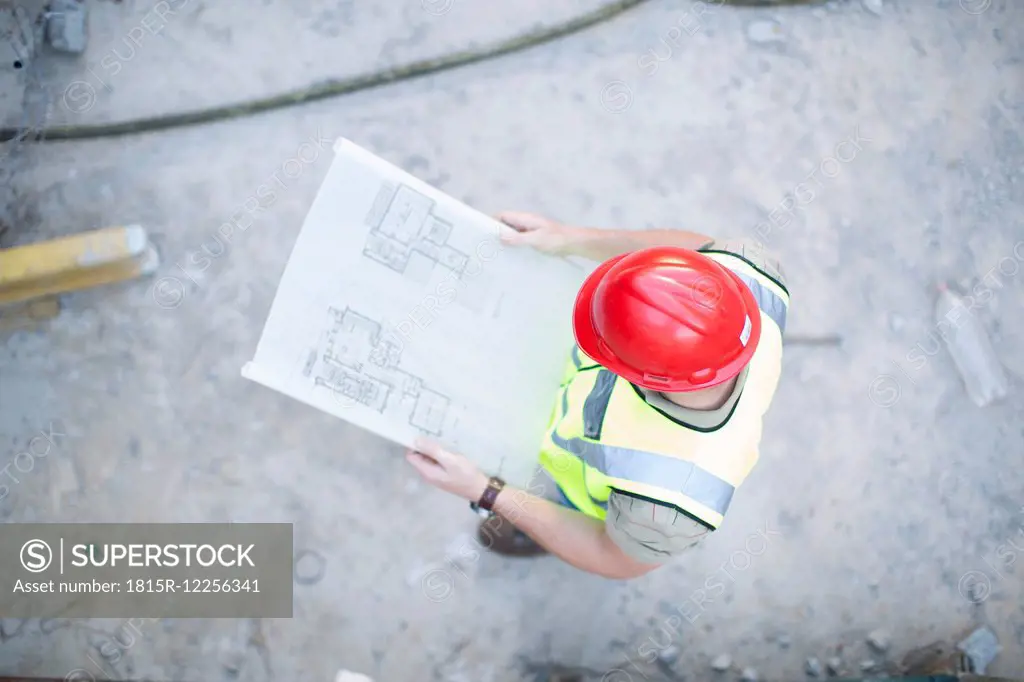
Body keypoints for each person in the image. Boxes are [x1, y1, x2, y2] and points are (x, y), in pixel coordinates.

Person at [405, 211, 789, 580]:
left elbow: (611, 555)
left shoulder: (665, 508)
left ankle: (537, 523)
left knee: (552, 516)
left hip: (590, 495)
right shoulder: (750, 274)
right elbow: (694, 251)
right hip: (560, 395)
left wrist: (487, 492)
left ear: (644, 376)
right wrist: (571, 239)